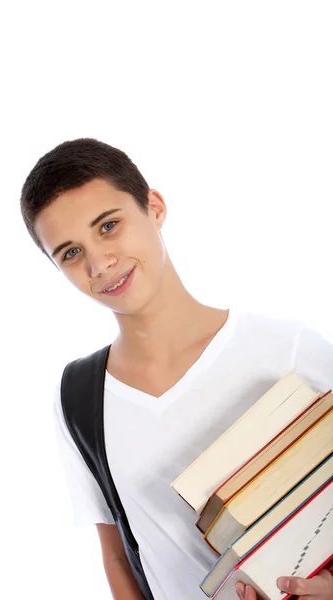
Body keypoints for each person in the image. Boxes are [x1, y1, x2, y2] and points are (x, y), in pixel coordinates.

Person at [20, 138, 333, 600]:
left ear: (155, 207)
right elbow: (118, 556)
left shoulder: (285, 347)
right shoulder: (79, 396)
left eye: (108, 226)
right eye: (70, 252)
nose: (99, 263)